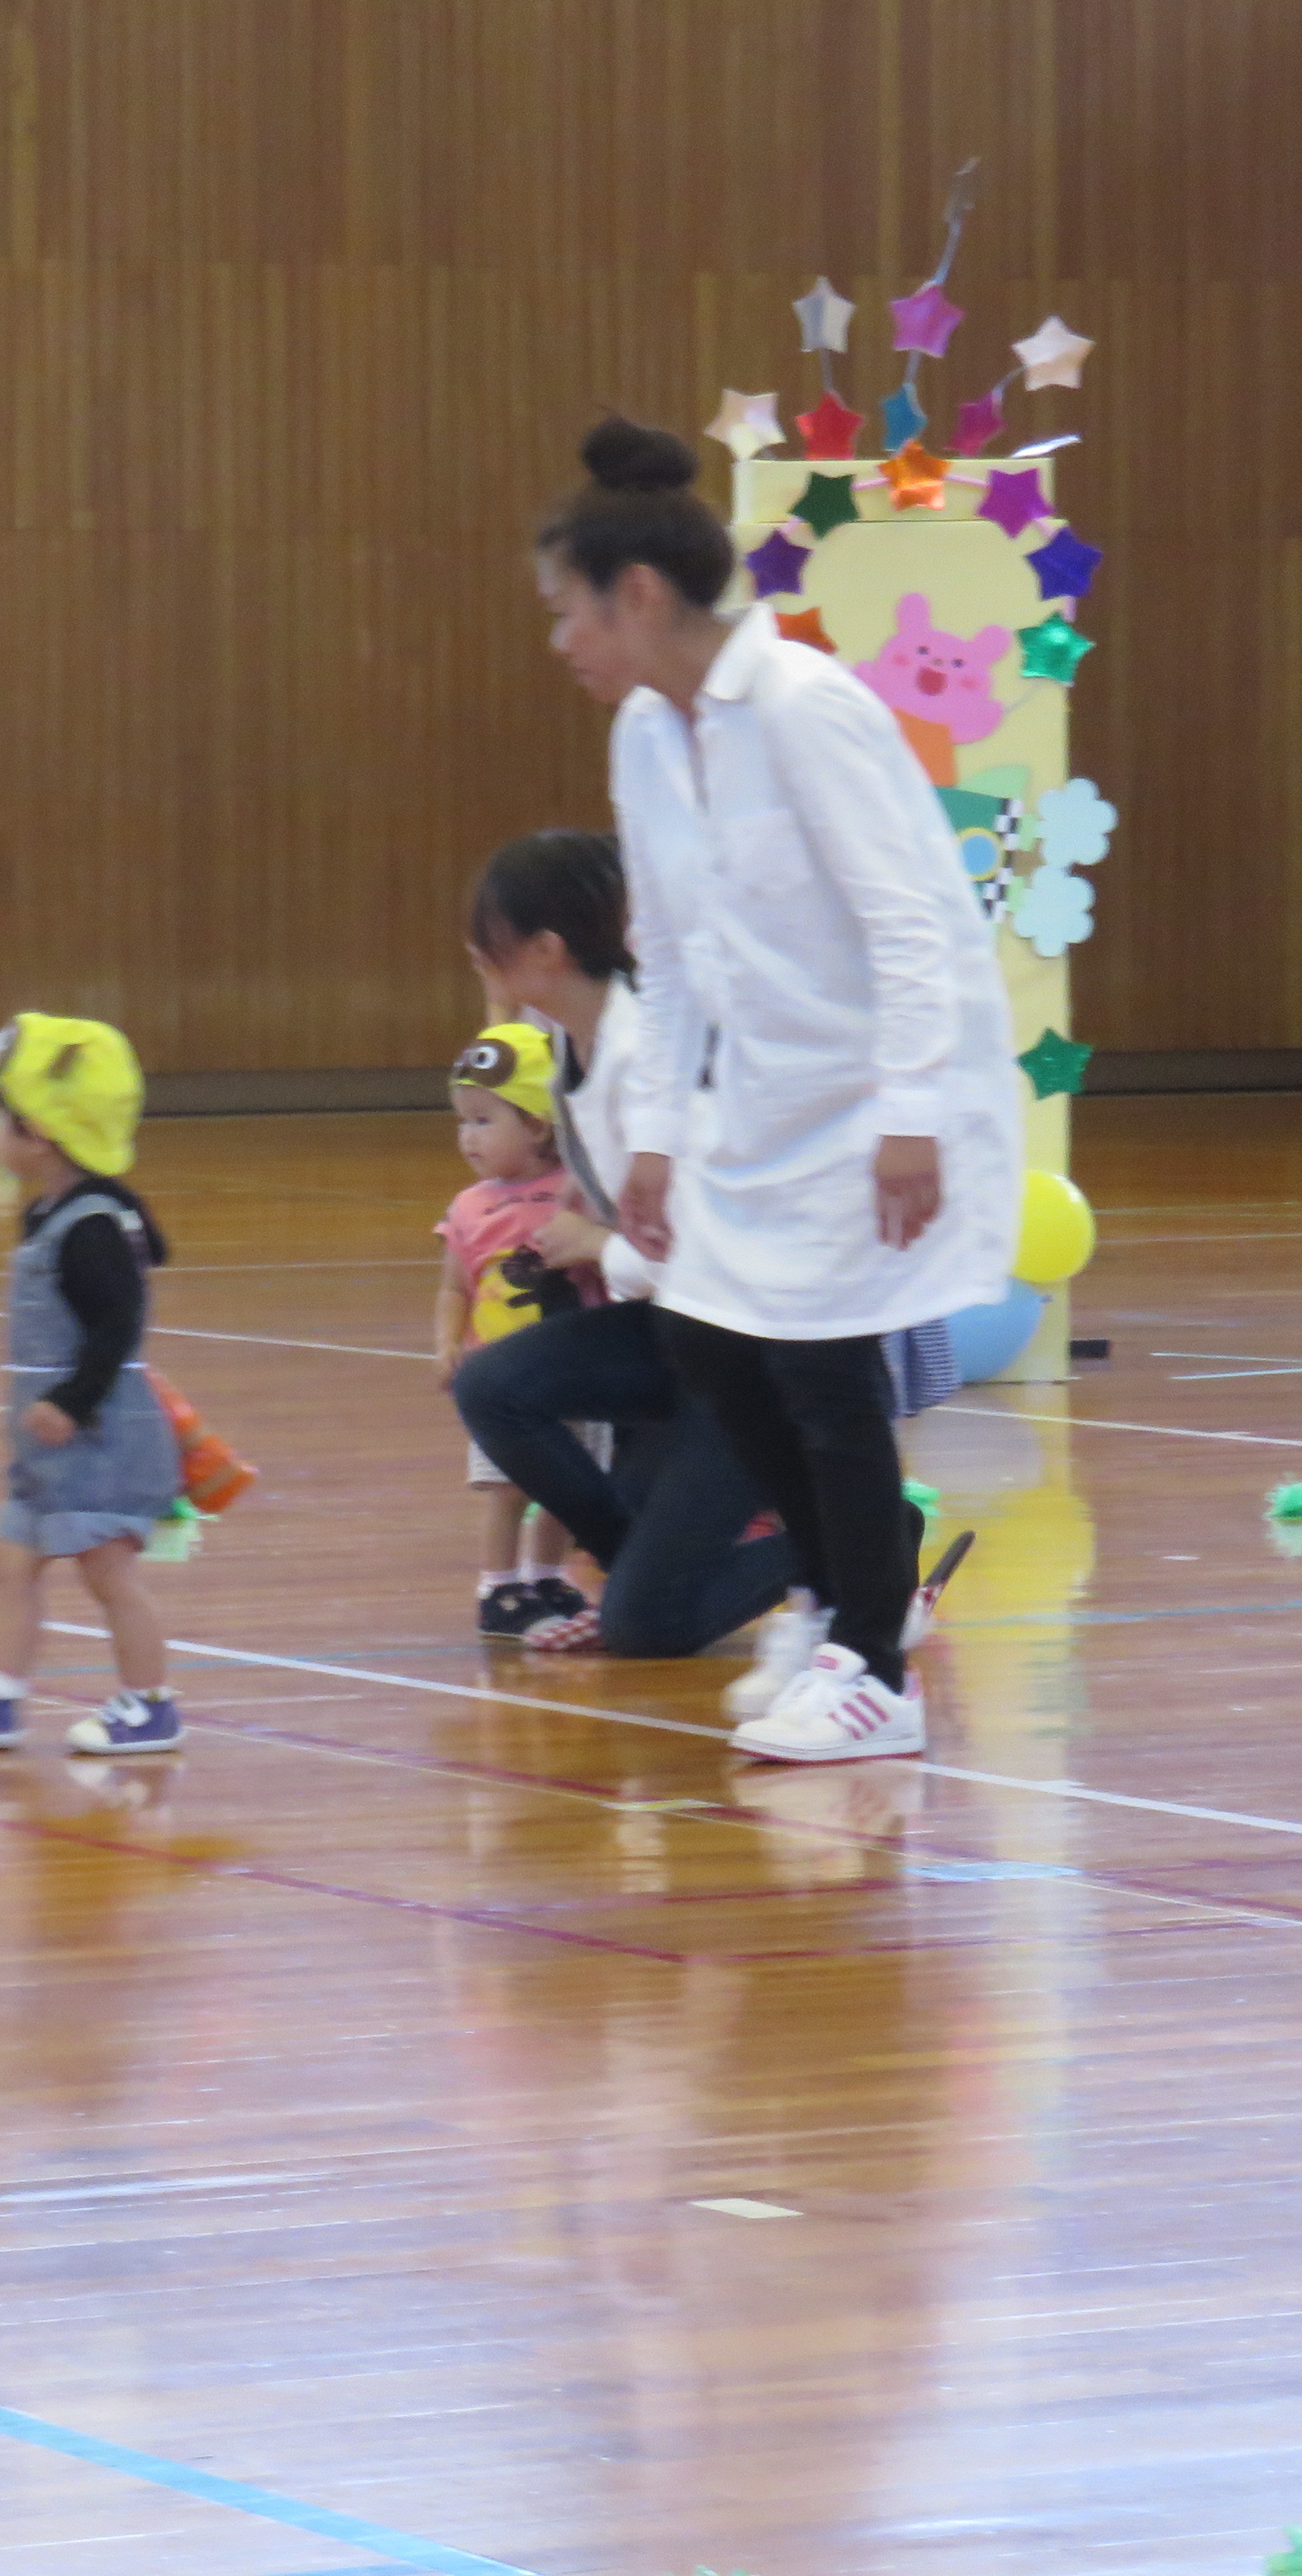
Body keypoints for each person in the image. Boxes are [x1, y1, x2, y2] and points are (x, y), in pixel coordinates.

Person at [536, 418, 1020, 1763]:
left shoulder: (807, 709)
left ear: (636, 596)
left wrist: (910, 1114)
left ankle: (875, 1661)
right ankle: (833, 1602)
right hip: (755, 1096)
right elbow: (676, 955)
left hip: (875, 1094)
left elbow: (911, 925)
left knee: (820, 1371)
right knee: (702, 1337)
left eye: (568, 610)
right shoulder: (647, 732)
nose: (560, 641)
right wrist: (654, 1142)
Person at [451, 832, 795, 1660]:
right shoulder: (571, 1035)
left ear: (546, 950)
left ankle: (863, 1543)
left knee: (650, 1628)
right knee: (494, 1385)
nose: (477, 959)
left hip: (741, 1349)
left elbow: (705, 1247)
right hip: (668, 1332)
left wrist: (595, 1245)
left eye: (492, 944)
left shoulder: (649, 1056)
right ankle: (632, 1560)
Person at [0, 1015, 189, 1758]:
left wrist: (69, 1399)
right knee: (12, 1562)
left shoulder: (91, 1227)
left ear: (37, 1132)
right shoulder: (62, 1211)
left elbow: (118, 1327)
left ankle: (151, 1704)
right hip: (50, 1449)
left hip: (96, 1440)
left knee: (108, 1574)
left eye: (1, 1114)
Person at [435, 1022, 604, 1641]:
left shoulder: (574, 1194)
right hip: (499, 1374)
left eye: (484, 1120)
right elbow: (456, 1286)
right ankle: (499, 1585)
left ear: (538, 1124)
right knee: (506, 1486)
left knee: (563, 1478)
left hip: (570, 1370)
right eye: (463, 1121)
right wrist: (447, 1344)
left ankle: (546, 1574)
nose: (467, 1138)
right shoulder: (468, 1208)